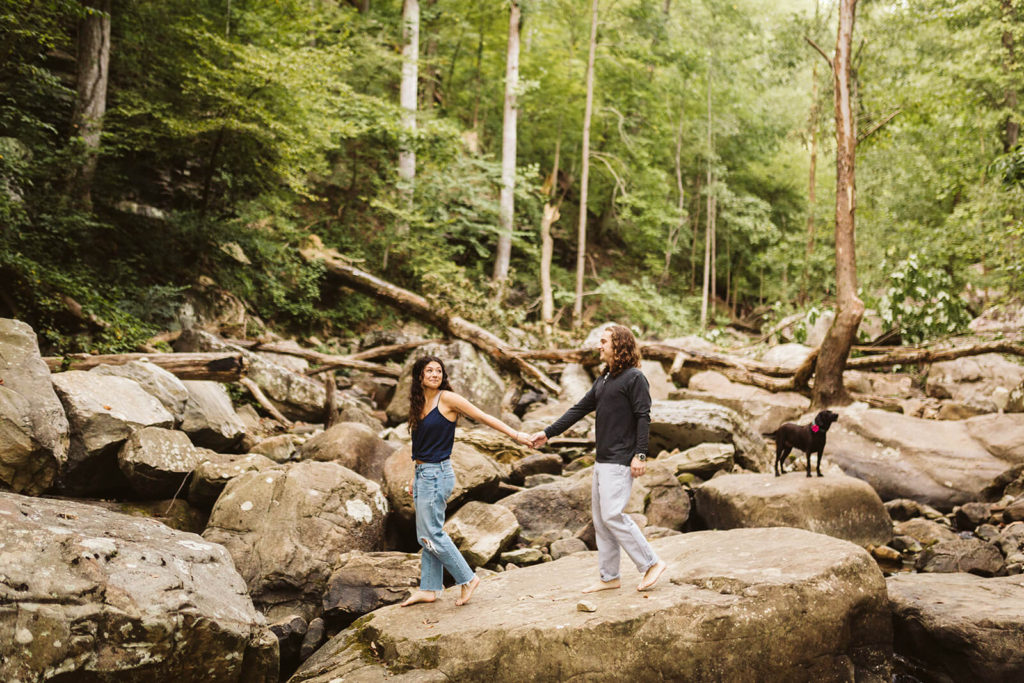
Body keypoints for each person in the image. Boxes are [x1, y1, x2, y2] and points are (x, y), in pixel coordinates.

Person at [530, 325, 667, 593]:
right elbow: (579, 408)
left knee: (613, 515)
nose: (599, 346)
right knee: (602, 520)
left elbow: (643, 417)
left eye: (604, 341)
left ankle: (651, 563)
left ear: (620, 345)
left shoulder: (635, 378)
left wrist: (640, 454)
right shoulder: (605, 379)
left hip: (620, 460)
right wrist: (547, 433)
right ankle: (609, 577)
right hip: (602, 460)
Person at [401, 355, 532, 607]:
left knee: (432, 534)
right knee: (425, 535)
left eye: (439, 371)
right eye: (429, 370)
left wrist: (517, 435)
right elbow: (420, 445)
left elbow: (483, 416)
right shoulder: (419, 403)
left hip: (437, 475)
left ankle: (467, 578)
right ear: (419, 376)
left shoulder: (447, 398)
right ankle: (429, 588)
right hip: (422, 475)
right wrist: (412, 476)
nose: (435, 374)